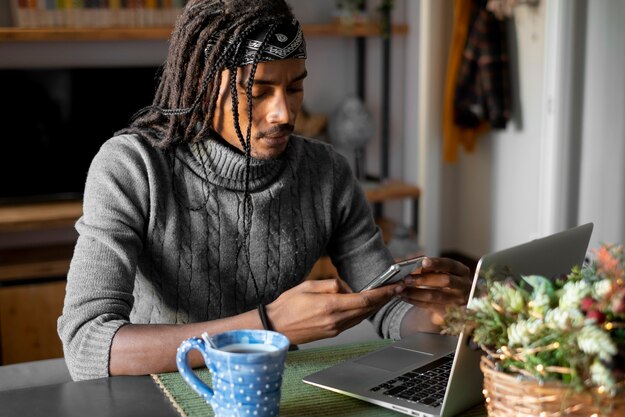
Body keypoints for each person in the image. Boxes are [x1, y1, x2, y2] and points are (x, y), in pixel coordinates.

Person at [58, 0, 471, 381]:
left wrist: (442, 313)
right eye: (257, 92)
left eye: (294, 88)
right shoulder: (132, 166)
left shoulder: (326, 172)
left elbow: (385, 306)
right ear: (203, 87)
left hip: (271, 389)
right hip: (158, 390)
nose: (284, 113)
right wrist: (269, 325)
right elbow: (87, 344)